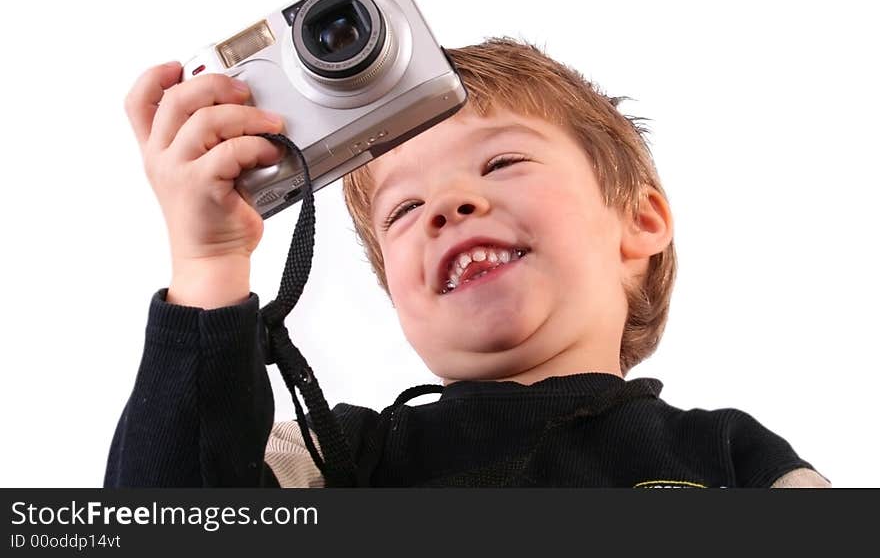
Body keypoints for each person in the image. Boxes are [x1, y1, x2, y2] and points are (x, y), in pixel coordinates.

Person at [104, 38, 829, 488]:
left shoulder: (735, 456)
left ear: (639, 222)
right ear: (395, 294)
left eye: (503, 161)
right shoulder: (334, 461)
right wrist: (209, 260)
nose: (447, 204)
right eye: (403, 211)